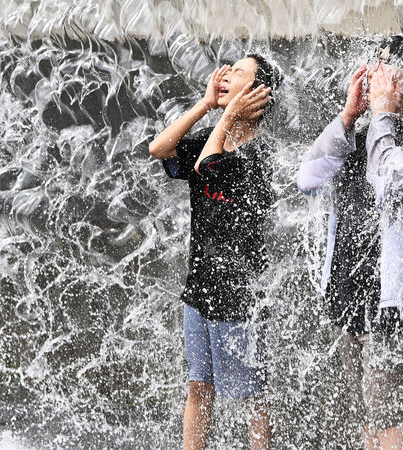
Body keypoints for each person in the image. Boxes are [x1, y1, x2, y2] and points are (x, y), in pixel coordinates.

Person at [297, 34, 403, 449]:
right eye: (374, 63)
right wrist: (348, 116)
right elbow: (308, 180)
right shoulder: (360, 135)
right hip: (348, 292)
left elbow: (388, 184)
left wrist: (381, 114)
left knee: (390, 420)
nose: (374, 72)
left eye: (384, 65)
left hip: (390, 302)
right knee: (365, 421)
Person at [149, 53, 282, 450]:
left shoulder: (259, 157)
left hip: (240, 292)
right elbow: (160, 148)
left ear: (257, 94)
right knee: (199, 385)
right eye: (226, 71)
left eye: (237, 73)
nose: (224, 77)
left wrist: (224, 118)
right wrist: (207, 105)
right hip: (200, 286)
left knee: (251, 396)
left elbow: (209, 165)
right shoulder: (213, 137)